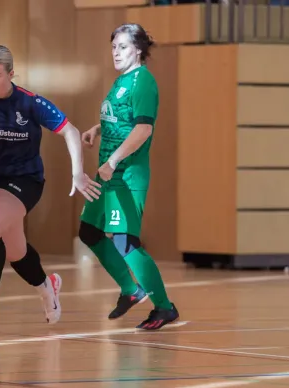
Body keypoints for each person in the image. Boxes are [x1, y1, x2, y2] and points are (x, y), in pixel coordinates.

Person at [0, 45, 102, 328]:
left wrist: (77, 173)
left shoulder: (30, 103)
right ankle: (47, 288)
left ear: (12, 74)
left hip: (25, 179)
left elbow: (70, 132)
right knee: (16, 253)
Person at [78, 23, 179, 330]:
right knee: (89, 232)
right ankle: (130, 290)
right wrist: (98, 129)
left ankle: (164, 307)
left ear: (138, 49)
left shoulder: (143, 81)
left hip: (125, 174)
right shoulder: (122, 81)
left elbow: (143, 128)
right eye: (113, 47)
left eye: (122, 47)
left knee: (124, 241)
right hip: (108, 172)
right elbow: (121, 119)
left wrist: (113, 160)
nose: (116, 53)